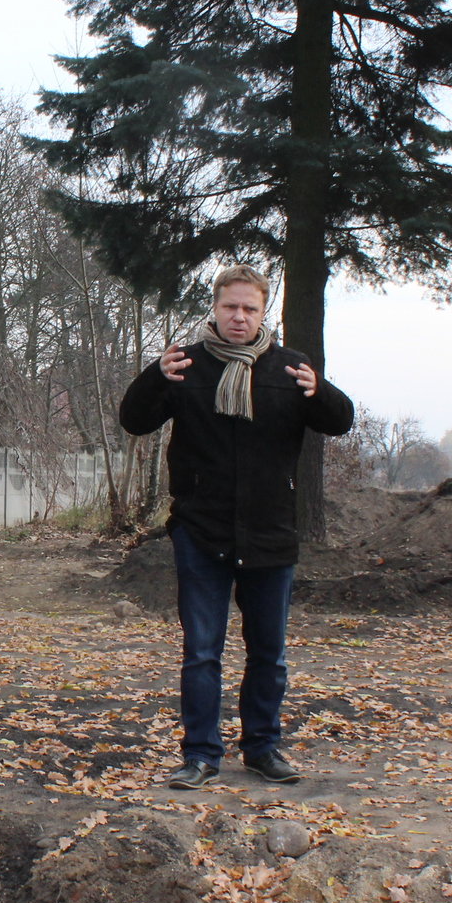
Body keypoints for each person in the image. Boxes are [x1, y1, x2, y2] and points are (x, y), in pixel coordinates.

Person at [118, 265, 355, 789]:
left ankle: (262, 748)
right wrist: (155, 374)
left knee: (269, 654)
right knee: (202, 652)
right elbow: (134, 420)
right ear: (216, 307)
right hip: (201, 532)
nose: (240, 317)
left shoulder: (290, 369)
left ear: (263, 311)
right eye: (231, 307)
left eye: (250, 308)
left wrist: (320, 391)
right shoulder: (185, 364)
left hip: (270, 535)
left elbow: (341, 421)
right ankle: (200, 755)